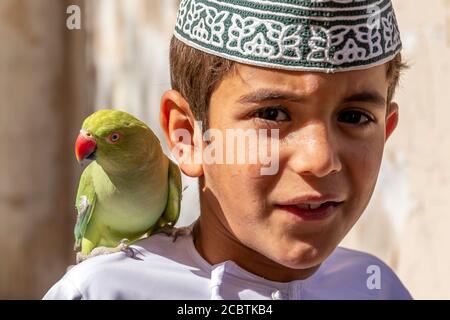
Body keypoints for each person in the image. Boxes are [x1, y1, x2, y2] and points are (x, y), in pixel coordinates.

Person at [44, 0, 412, 299]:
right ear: (187, 136)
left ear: (386, 132)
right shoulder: (103, 293)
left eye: (355, 117)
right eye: (272, 114)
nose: (320, 160)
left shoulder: (375, 287)